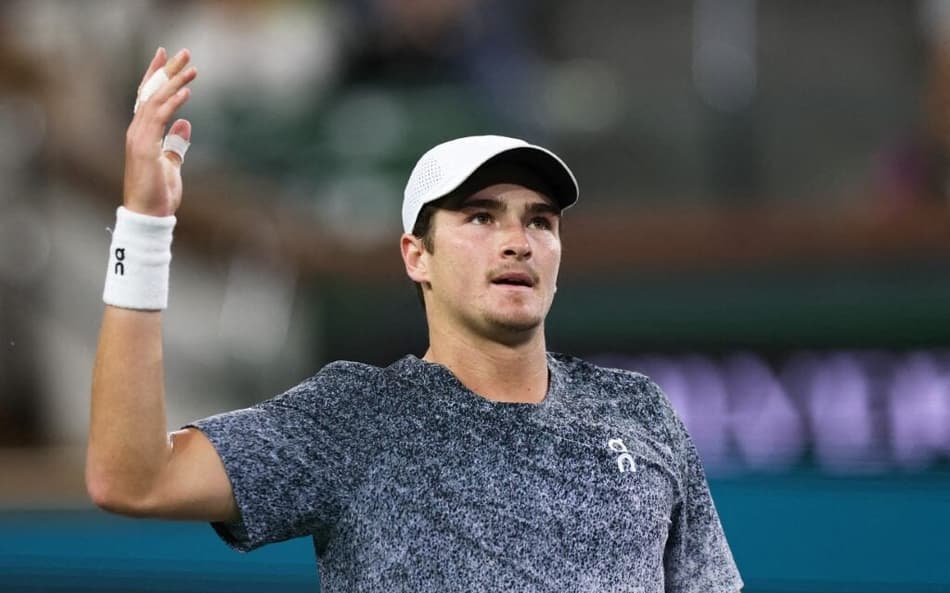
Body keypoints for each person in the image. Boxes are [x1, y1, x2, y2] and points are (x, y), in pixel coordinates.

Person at [87, 48, 743, 593]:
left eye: (538, 220)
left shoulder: (639, 411)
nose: (518, 240)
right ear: (417, 255)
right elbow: (133, 477)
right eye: (482, 216)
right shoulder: (354, 419)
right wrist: (144, 226)